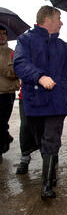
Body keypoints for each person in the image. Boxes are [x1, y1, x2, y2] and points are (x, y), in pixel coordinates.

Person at [14, 5, 67, 200]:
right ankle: (50, 171)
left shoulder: (62, 45)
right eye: (59, 18)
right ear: (48, 19)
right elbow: (20, 64)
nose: (62, 22)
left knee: (52, 140)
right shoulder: (25, 40)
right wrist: (39, 76)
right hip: (34, 102)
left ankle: (46, 185)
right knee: (41, 141)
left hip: (57, 102)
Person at [0, 25, 20, 160]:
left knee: (1, 122)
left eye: (4, 34)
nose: (2, 36)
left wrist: (3, 70)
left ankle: (2, 144)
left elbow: (17, 72)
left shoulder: (12, 53)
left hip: (6, 94)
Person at [16, 84, 38, 174]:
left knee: (47, 128)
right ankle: (25, 157)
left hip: (49, 95)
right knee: (25, 127)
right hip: (26, 96)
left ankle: (50, 156)